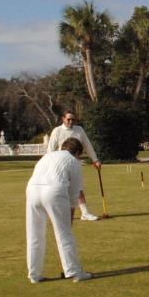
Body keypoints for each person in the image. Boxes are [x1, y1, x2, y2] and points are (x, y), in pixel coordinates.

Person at [26, 138, 92, 283]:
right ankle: (75, 272)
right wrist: (69, 220)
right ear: (78, 153)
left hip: (32, 190)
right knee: (64, 234)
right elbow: (74, 194)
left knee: (34, 233)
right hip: (54, 191)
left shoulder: (47, 156)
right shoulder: (74, 162)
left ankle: (34, 275)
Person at [47, 111, 102, 220]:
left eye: (73, 119)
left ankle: (85, 213)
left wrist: (95, 160)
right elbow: (50, 149)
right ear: (63, 119)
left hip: (75, 164)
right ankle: (56, 213)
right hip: (60, 166)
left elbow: (87, 145)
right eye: (68, 119)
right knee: (60, 189)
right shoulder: (57, 131)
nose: (71, 121)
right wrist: (50, 164)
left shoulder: (79, 130)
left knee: (78, 188)